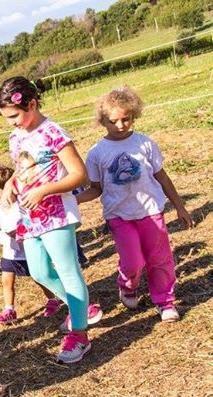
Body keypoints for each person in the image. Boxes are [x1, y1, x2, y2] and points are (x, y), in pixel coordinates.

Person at [0, 76, 98, 363]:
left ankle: (79, 334)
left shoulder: (53, 133)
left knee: (68, 271)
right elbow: (21, 168)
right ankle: (81, 307)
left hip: (56, 215)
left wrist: (44, 191)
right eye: (6, 118)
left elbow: (80, 174)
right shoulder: (16, 137)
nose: (11, 123)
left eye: (14, 116)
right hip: (30, 218)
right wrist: (9, 186)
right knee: (39, 272)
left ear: (32, 103)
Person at [78, 86, 194, 322]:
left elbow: (162, 177)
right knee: (133, 261)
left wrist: (180, 206)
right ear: (102, 121)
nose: (120, 125)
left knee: (159, 258)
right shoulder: (97, 153)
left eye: (126, 119)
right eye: (113, 121)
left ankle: (164, 300)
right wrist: (72, 199)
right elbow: (95, 189)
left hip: (151, 211)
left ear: (134, 115)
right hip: (119, 215)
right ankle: (127, 284)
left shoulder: (145, 144)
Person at [0, 166, 61, 323]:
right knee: (7, 280)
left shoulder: (21, 205)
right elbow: (3, 223)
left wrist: (19, 231)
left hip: (27, 250)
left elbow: (31, 222)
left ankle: (53, 299)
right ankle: (9, 309)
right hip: (10, 250)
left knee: (38, 276)